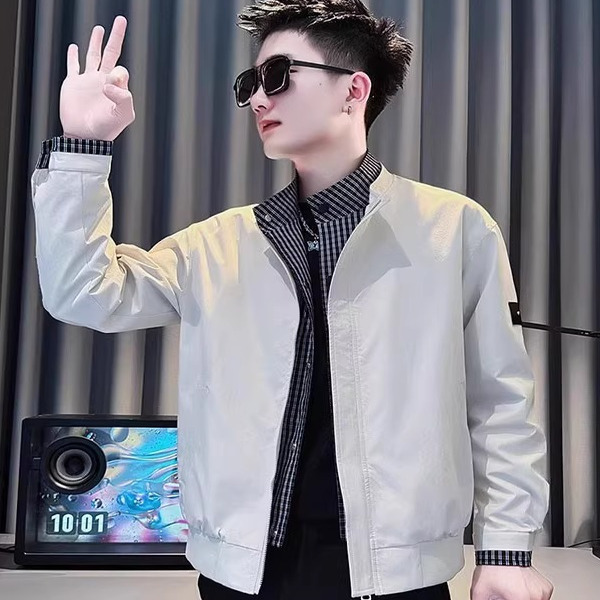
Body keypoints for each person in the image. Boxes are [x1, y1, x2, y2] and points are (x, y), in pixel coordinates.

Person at [31, 1, 554, 599]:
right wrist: (81, 148)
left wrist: (506, 550)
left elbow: (499, 402)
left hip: (397, 573)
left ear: (354, 90)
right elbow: (84, 293)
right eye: (249, 84)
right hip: (243, 574)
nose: (258, 99)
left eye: (277, 76)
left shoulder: (453, 230)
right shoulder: (215, 246)